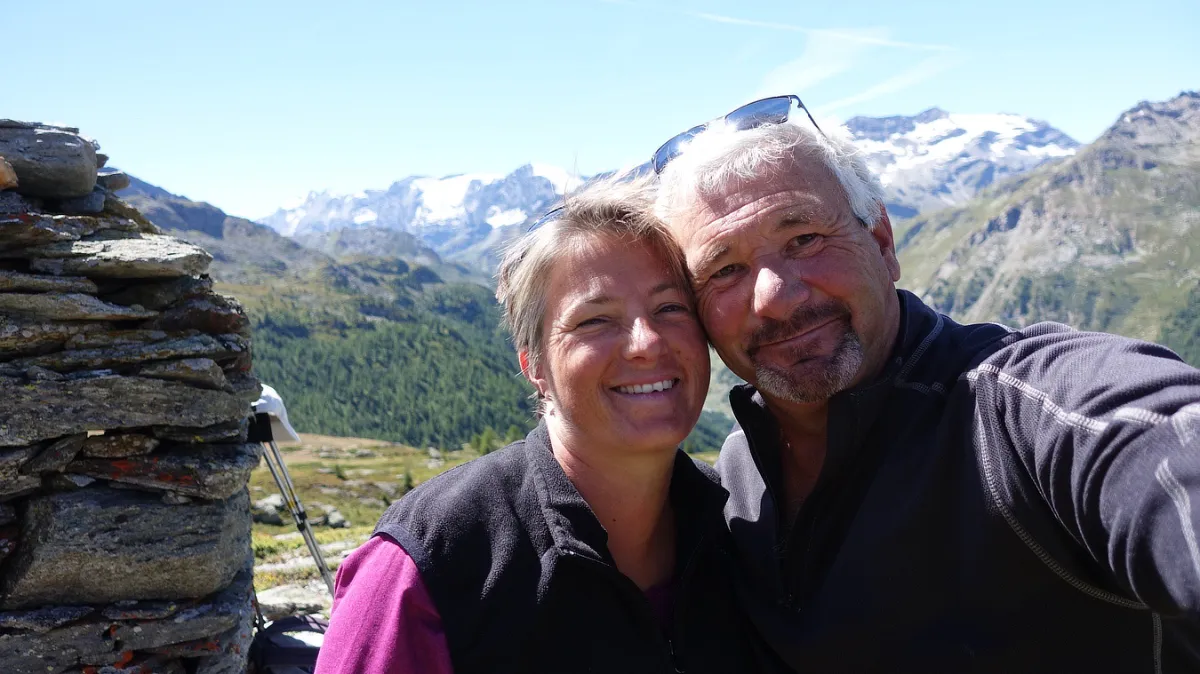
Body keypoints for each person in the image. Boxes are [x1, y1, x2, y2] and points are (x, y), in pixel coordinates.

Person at [648, 95, 1200, 672]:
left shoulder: (1016, 411)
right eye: (725, 270)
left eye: (805, 238)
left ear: (882, 243)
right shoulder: (732, 489)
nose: (776, 298)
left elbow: (1157, 445)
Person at [314, 176, 780, 674]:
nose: (646, 342)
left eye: (670, 308)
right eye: (594, 320)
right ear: (534, 365)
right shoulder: (430, 566)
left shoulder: (740, 529)